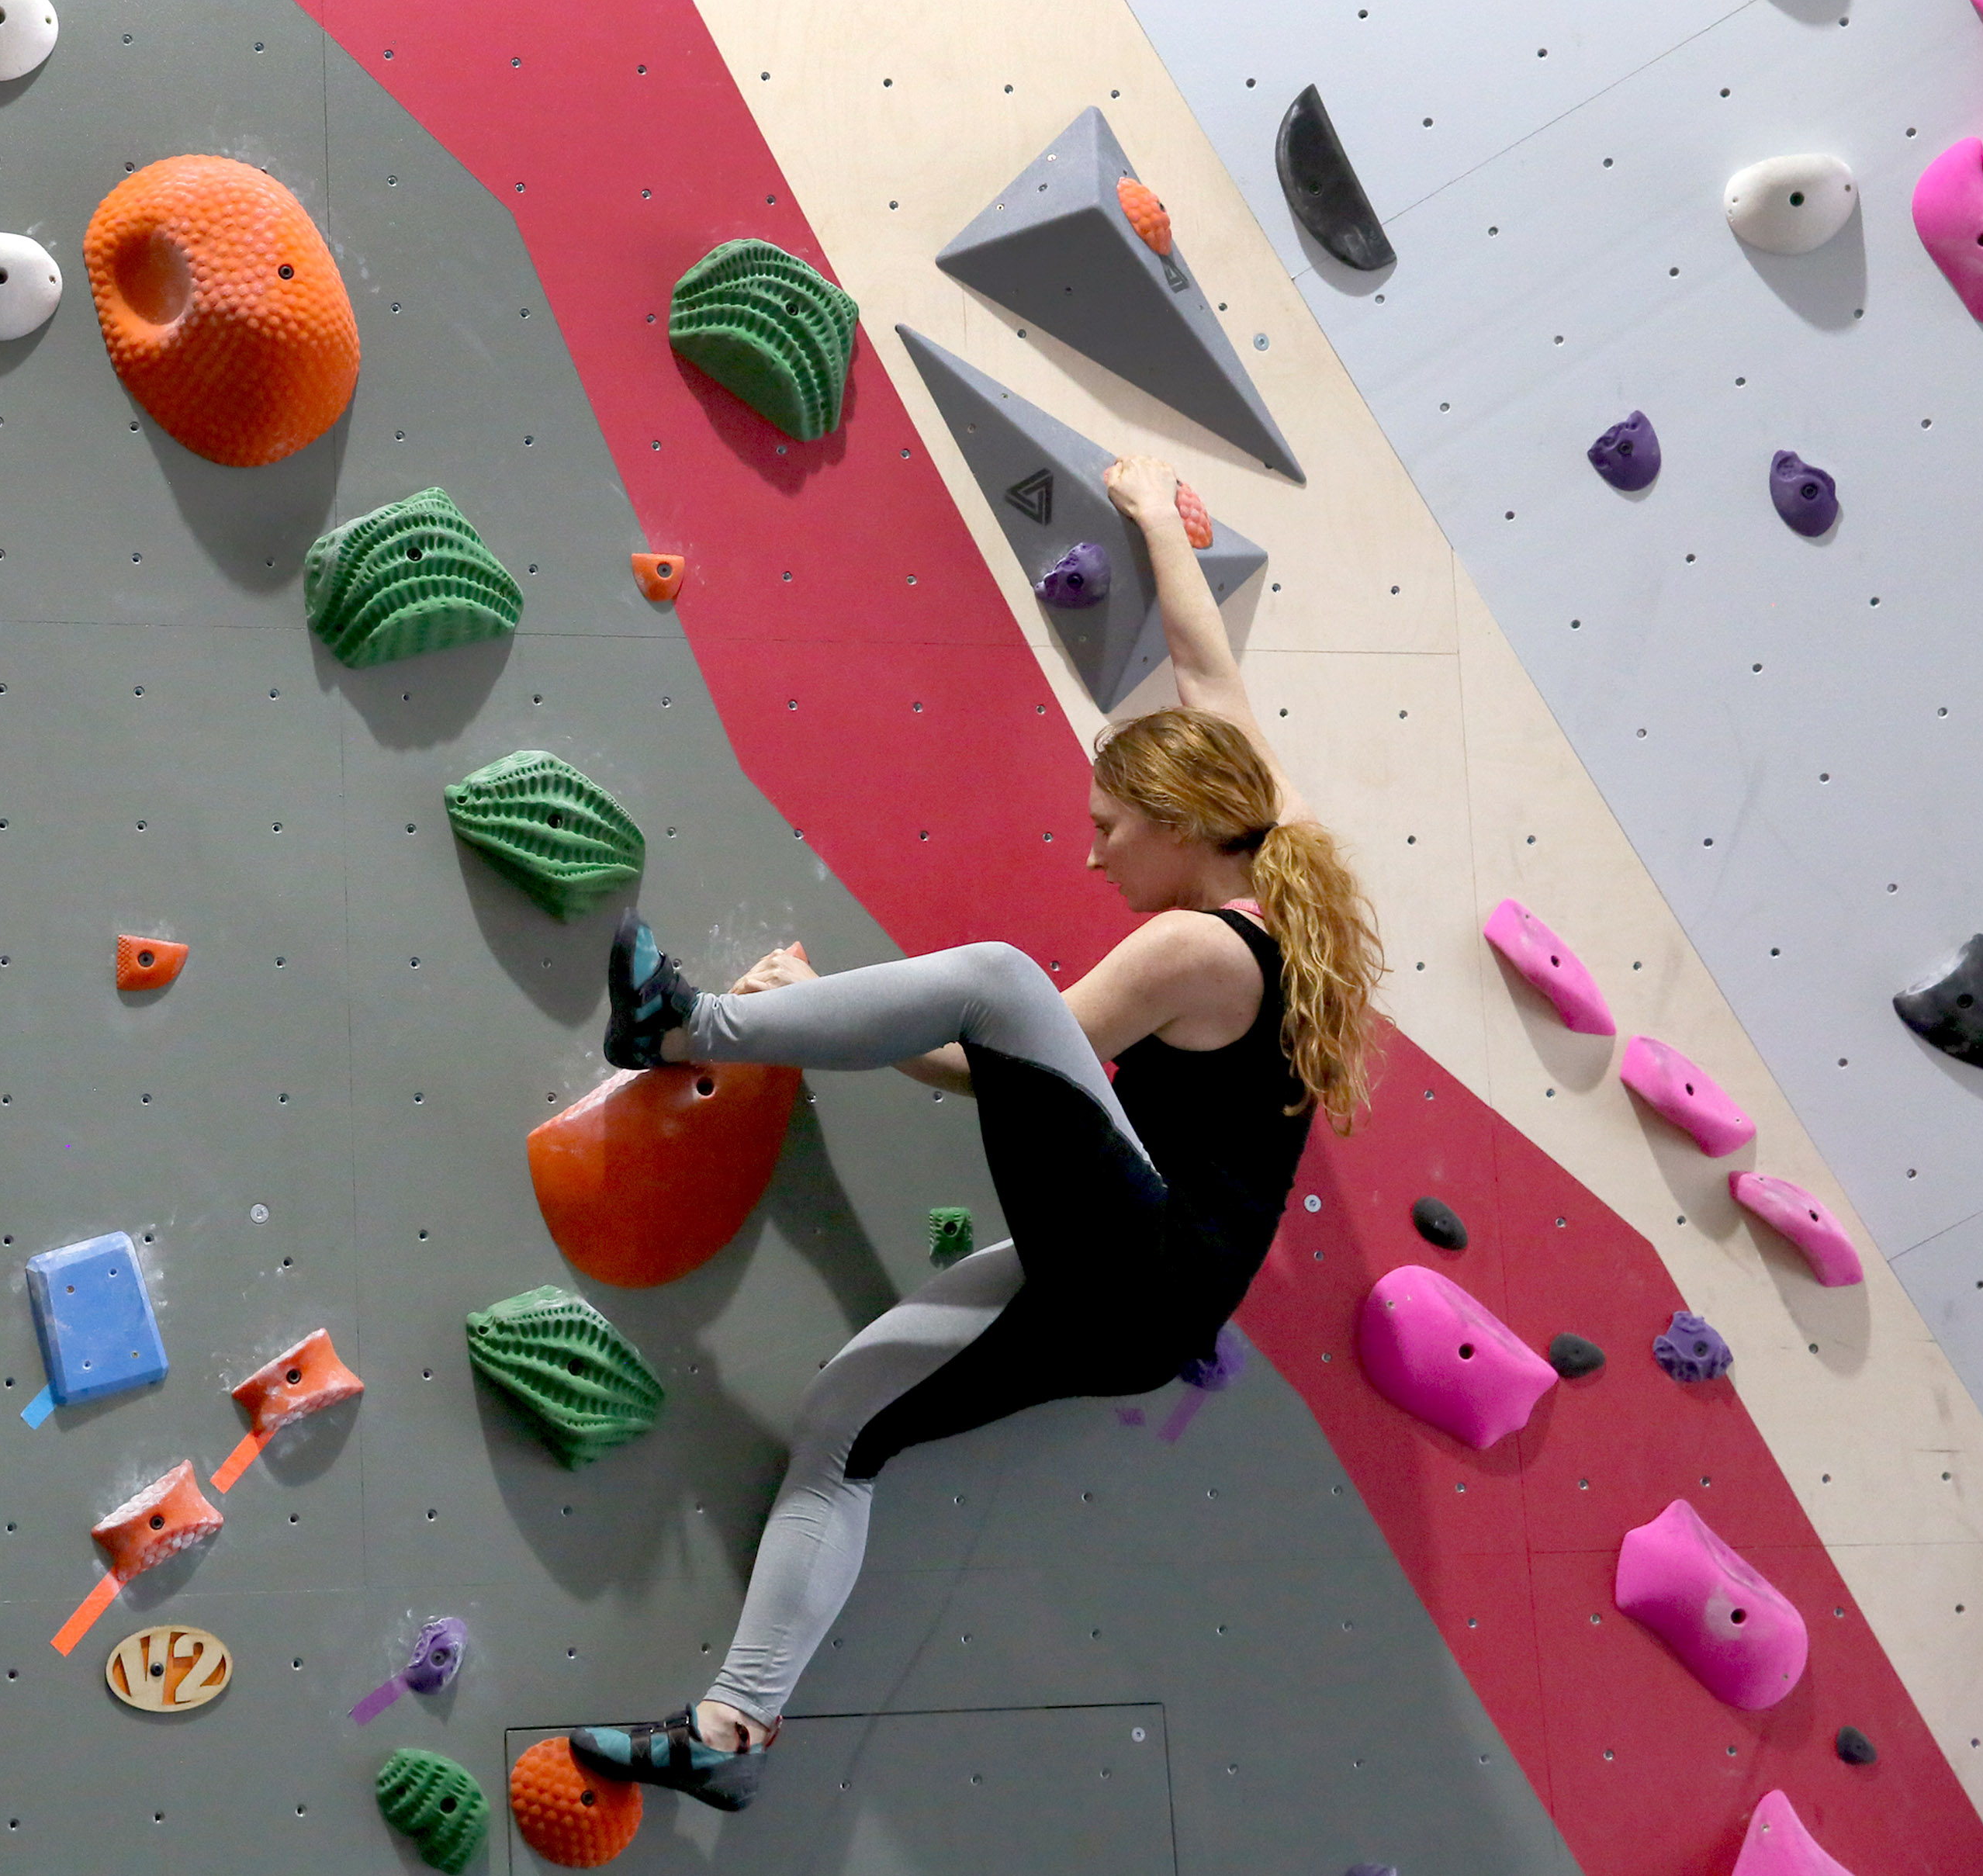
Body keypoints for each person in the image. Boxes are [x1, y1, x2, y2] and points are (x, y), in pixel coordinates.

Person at [566, 455, 1386, 1811]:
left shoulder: (1197, 949)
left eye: (1110, 830)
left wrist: (795, 1014)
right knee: (843, 1423)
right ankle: (735, 1728)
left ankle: (677, 1028)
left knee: (1004, 978)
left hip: (1144, 1268)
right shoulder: (1263, 859)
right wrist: (1150, 518)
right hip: (1136, 1292)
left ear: (1183, 831)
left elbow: (986, 1051)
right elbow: (1207, 670)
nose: (1095, 858)